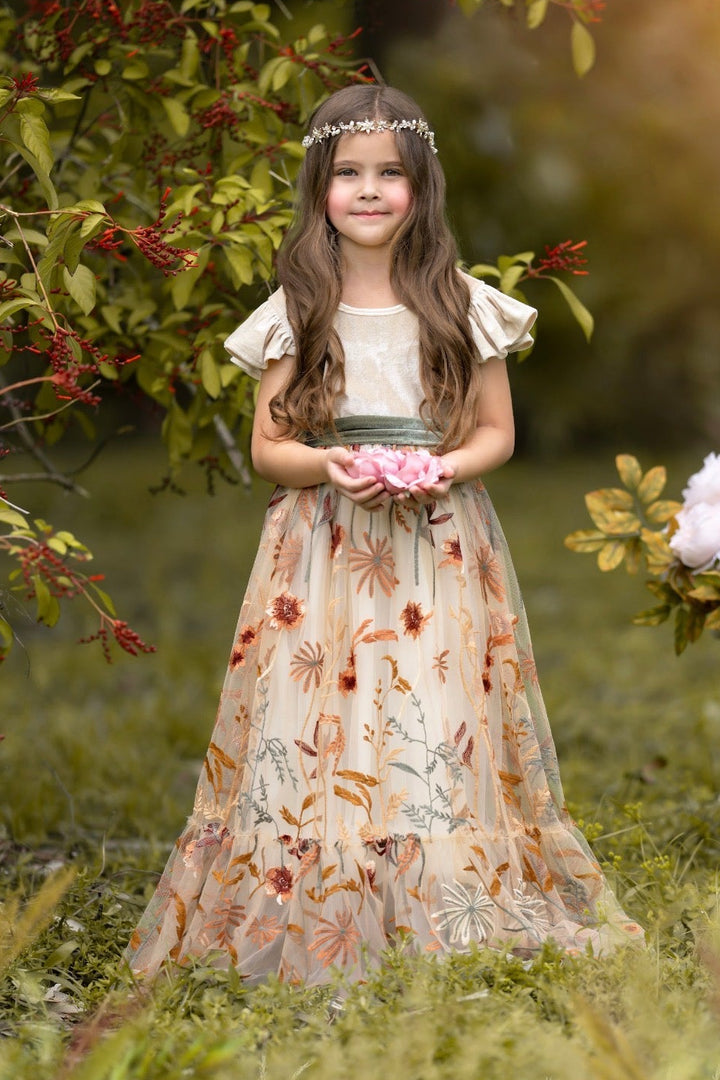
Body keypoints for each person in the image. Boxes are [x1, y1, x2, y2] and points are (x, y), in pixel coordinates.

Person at [125, 84, 643, 986]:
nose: (369, 190)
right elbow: (270, 447)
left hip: (435, 543)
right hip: (322, 550)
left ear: (421, 185)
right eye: (349, 173)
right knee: (317, 717)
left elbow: (496, 432)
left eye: (389, 173)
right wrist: (328, 465)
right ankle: (324, 910)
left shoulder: (461, 304)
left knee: (433, 714)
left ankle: (444, 905)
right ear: (319, 186)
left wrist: (445, 467)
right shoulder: (299, 305)